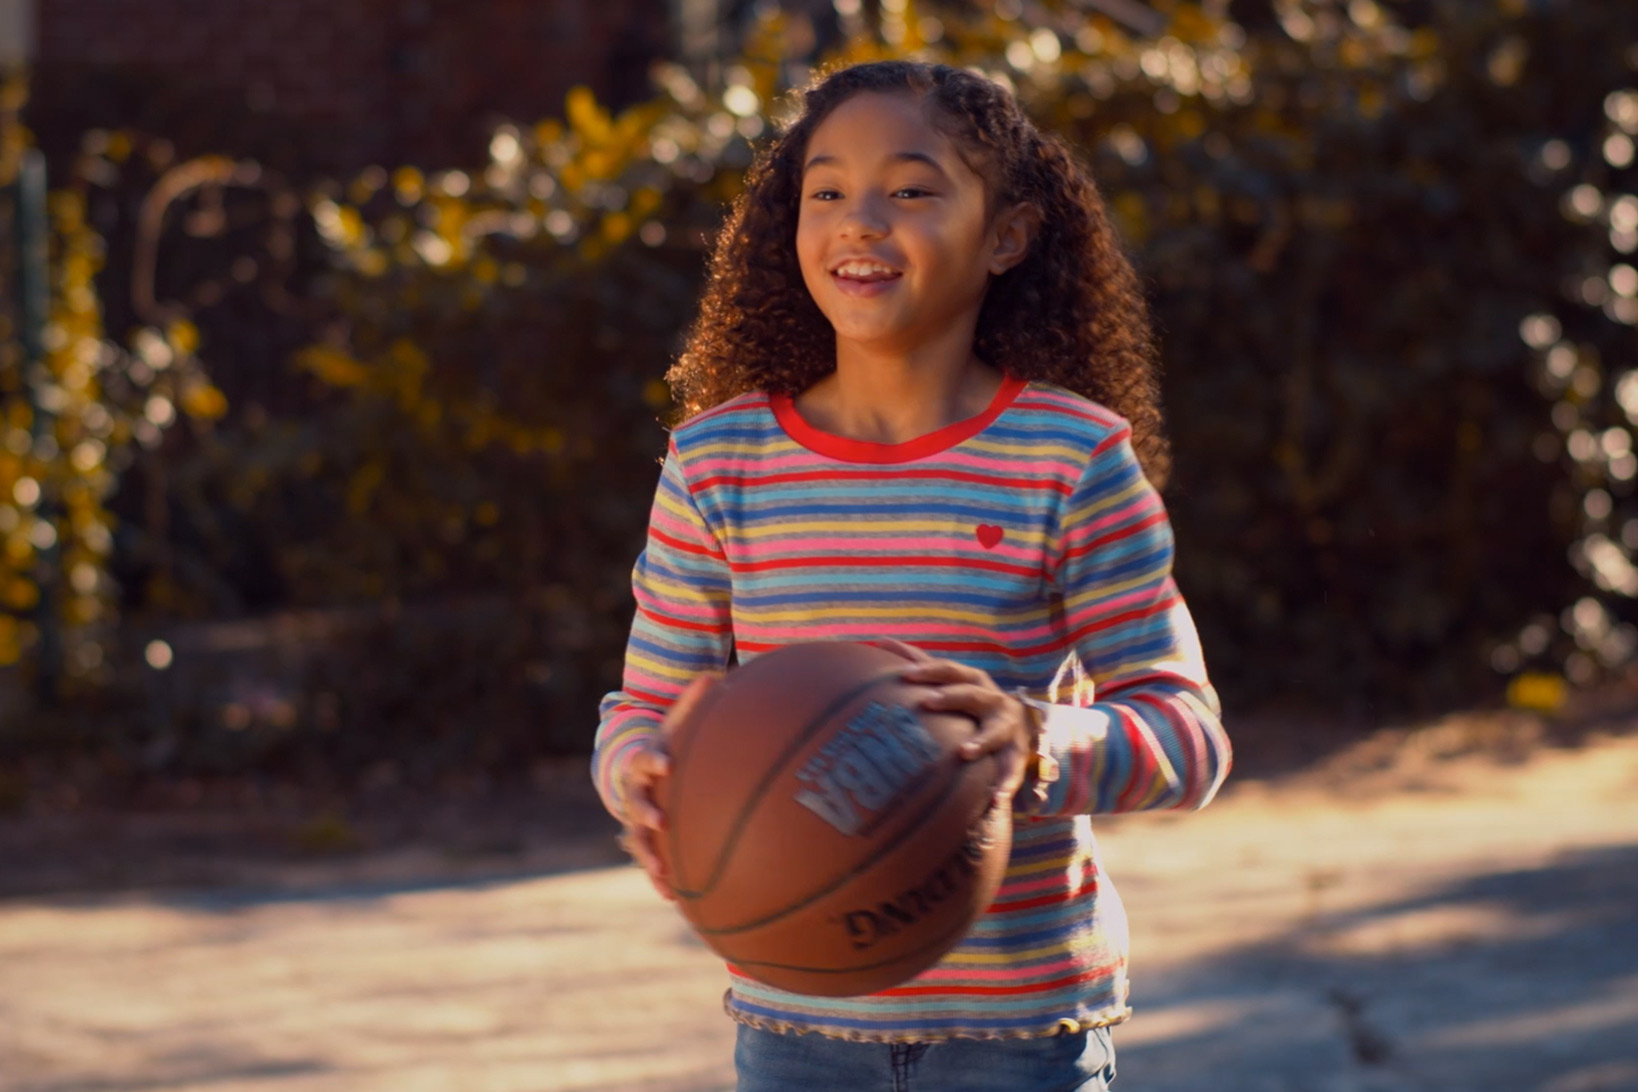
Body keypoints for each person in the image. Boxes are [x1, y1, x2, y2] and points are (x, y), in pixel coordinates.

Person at [591, 59, 1231, 1091]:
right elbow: (646, 711)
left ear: (1008, 235)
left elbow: (1187, 734)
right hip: (793, 1024)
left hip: (1023, 1033)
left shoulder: (1069, 462)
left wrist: (1037, 740)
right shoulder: (719, 465)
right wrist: (650, 783)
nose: (860, 220)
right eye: (828, 191)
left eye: (914, 189)